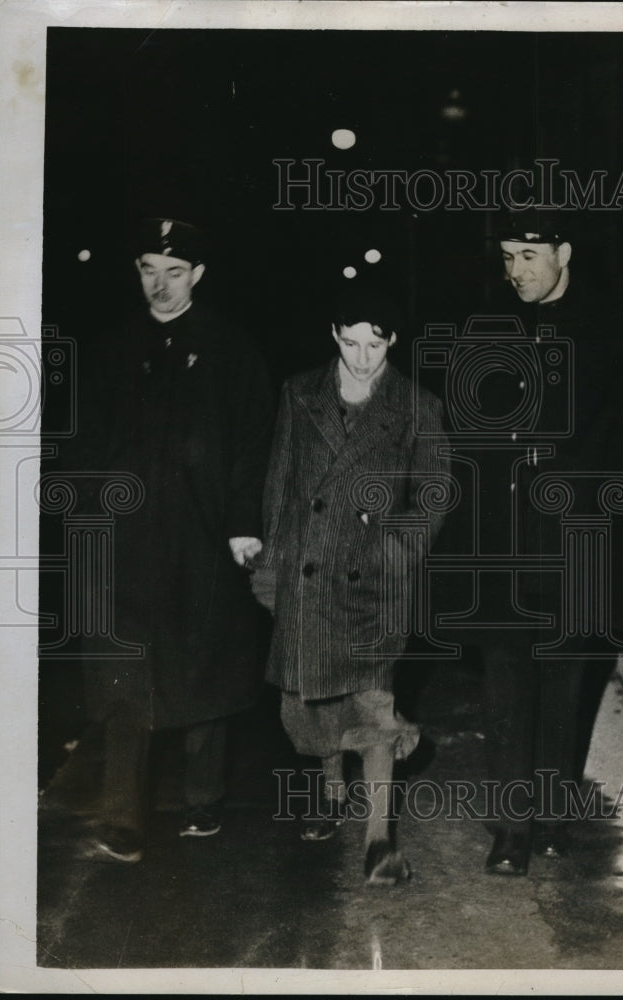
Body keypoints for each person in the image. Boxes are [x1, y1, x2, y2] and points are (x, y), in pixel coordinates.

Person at [433, 210, 623, 875]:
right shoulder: (483, 331)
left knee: (564, 686)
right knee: (506, 685)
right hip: (502, 545)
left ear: (564, 252)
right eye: (506, 256)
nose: (514, 270)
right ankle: (509, 829)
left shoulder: (610, 339)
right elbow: (463, 443)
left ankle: (550, 816)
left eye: (527, 254)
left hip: (576, 548)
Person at [80, 218, 273, 862]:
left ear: (197, 276)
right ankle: (122, 816)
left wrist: (244, 524)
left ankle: (203, 797)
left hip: (202, 533)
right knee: (124, 670)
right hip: (127, 541)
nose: (159, 286)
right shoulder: (113, 346)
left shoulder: (231, 348)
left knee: (204, 661)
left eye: (174, 272)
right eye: (147, 271)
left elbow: (252, 443)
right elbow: (85, 439)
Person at [251, 281, 450, 885]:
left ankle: (379, 838)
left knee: (374, 702)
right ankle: (330, 790)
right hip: (308, 573)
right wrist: (270, 567)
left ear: (393, 341)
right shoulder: (299, 392)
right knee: (313, 701)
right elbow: (281, 484)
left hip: (374, 580)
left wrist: (396, 546)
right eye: (351, 343)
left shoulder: (417, 406)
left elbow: (434, 494)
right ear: (334, 337)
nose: (363, 357)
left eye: (375, 344)